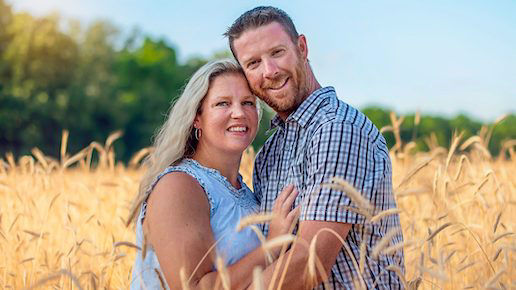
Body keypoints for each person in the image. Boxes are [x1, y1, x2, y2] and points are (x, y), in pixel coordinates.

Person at [225, 6, 406, 289]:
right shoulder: (268, 154)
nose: (269, 71)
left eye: (277, 53)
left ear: (302, 47)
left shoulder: (336, 129)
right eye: (253, 64)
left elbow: (312, 260)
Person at [127, 58, 299, 289]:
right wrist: (273, 245)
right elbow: (194, 287)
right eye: (222, 104)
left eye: (248, 103)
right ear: (197, 117)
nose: (238, 113)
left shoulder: (248, 194)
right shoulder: (179, 185)